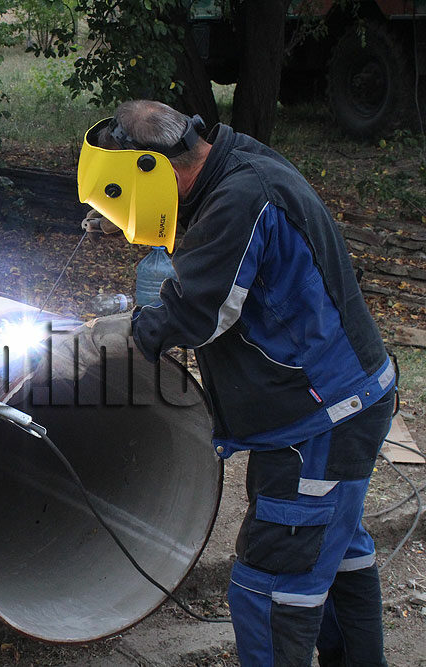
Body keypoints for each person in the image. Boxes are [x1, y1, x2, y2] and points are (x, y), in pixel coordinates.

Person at [79, 100, 394, 666]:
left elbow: (197, 313)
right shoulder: (234, 161)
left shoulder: (242, 197)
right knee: (335, 551)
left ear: (153, 169)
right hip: (345, 400)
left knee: (271, 586)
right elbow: (216, 250)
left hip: (321, 419)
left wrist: (114, 335)